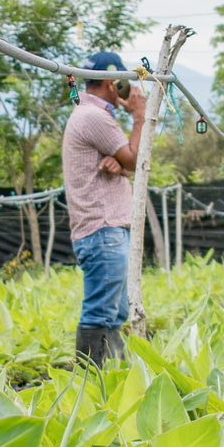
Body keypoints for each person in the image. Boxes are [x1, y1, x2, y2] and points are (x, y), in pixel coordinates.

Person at [60, 51, 150, 363]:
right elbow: (137, 160)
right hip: (103, 229)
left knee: (115, 313)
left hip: (107, 230)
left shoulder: (90, 114)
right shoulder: (94, 117)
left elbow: (126, 162)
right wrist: (140, 115)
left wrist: (120, 164)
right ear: (113, 83)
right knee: (101, 312)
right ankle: (90, 378)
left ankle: (111, 376)